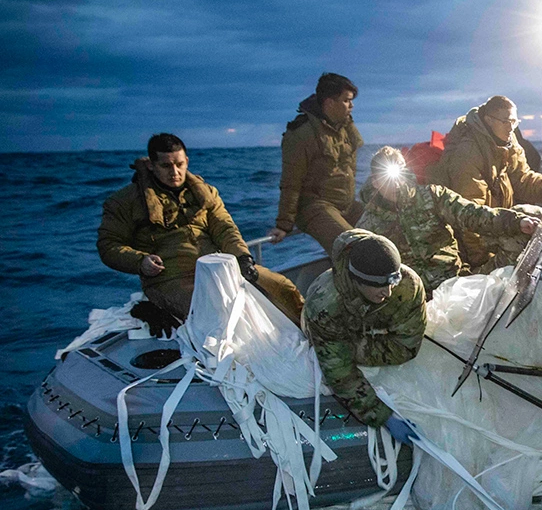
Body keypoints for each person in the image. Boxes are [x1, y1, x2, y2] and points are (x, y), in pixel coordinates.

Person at [97, 133, 304, 323]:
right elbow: (108, 245)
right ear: (151, 166)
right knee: (214, 312)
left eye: (179, 164)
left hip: (218, 268)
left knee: (283, 288)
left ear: (186, 161)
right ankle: (156, 308)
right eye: (166, 166)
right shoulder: (125, 201)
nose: (175, 172)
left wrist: (243, 258)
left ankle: (314, 338)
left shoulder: (206, 193)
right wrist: (140, 261)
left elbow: (225, 228)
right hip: (168, 279)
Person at [357, 146, 539, 296]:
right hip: (413, 299)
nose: (396, 185)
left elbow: (473, 214)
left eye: (398, 176)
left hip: (455, 283)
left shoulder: (432, 196)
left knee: (520, 236)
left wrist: (515, 221)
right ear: (374, 182)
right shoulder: (368, 225)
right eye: (386, 178)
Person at [302, 230, 426, 431]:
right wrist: (382, 416)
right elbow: (339, 370)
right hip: (330, 331)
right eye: (378, 286)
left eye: (392, 282)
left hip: (360, 333)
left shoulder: (408, 284)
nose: (388, 292)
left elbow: (406, 347)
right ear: (357, 280)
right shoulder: (324, 304)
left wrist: (361, 342)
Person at [430, 95, 542, 271]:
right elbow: (470, 217)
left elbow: (523, 180)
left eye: (514, 122)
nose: (511, 128)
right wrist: (482, 264)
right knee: (521, 234)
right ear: (489, 120)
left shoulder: (507, 143)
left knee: (537, 217)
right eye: (505, 121)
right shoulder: (468, 154)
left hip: (497, 224)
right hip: (476, 239)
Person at [270, 73, 364, 253]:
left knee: (388, 229)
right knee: (353, 247)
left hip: (346, 204)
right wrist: (284, 224)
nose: (351, 106)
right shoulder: (301, 134)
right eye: (346, 101)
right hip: (315, 207)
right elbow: (291, 181)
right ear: (329, 103)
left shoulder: (345, 127)